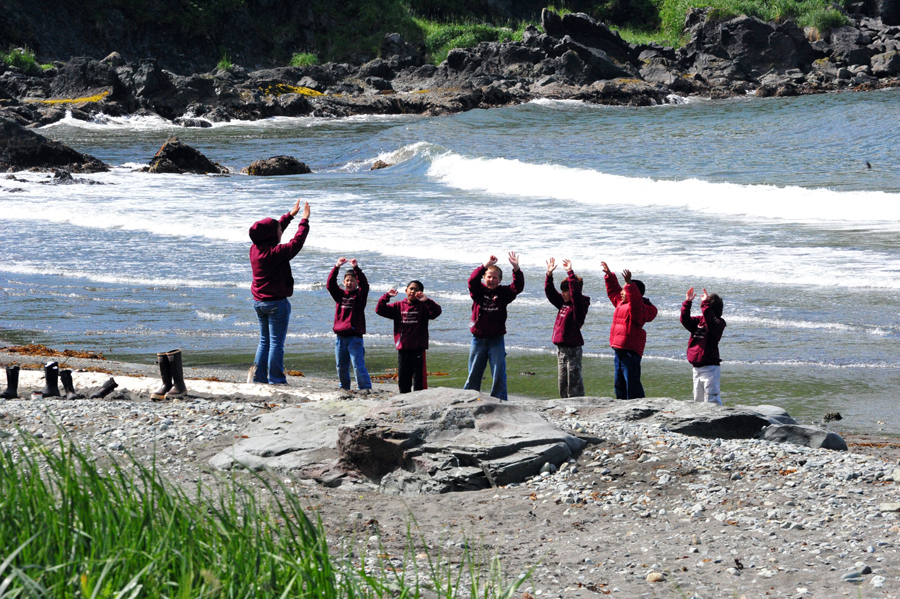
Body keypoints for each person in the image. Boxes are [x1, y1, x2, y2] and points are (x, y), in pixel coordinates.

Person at [248, 199, 310, 384]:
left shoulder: (255, 248)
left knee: (264, 341)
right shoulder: (274, 253)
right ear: (271, 235)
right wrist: (304, 220)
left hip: (259, 302)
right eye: (278, 230)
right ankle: (275, 378)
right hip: (275, 303)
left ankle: (259, 378)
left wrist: (290, 216)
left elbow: (274, 230)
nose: (280, 232)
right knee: (276, 343)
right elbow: (296, 243)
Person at [463, 253, 523, 401]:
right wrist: (484, 265)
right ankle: (468, 398)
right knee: (474, 373)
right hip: (478, 339)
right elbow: (472, 280)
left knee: (498, 372)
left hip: (496, 340)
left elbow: (517, 287)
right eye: (489, 276)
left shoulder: (503, 293)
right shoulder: (478, 292)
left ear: (500, 280)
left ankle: (500, 400)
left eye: (495, 277)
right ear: (484, 278)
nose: (491, 280)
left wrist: (516, 268)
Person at [601, 262, 657, 399]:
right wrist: (609, 276)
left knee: (632, 384)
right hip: (619, 351)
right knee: (619, 384)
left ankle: (640, 409)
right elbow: (613, 291)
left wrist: (629, 284)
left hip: (631, 352)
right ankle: (622, 409)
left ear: (633, 293)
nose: (622, 292)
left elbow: (636, 303)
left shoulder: (640, 309)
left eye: (625, 290)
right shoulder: (621, 303)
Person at [376, 280, 442, 393]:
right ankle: (404, 400)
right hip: (403, 349)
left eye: (416, 290)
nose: (413, 291)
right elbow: (379, 309)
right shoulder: (398, 306)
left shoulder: (424, 307)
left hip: (418, 349)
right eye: (411, 288)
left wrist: (427, 301)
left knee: (419, 381)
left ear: (420, 293)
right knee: (403, 379)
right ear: (406, 291)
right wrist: (386, 296)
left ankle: (418, 402)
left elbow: (437, 312)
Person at [544, 258, 590, 398]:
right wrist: (549, 275)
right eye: (562, 291)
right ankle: (564, 402)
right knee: (562, 380)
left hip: (573, 349)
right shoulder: (563, 304)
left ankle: (577, 403)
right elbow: (550, 293)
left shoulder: (579, 307)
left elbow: (576, 294)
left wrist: (570, 272)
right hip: (561, 349)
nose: (563, 294)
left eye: (566, 291)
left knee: (574, 380)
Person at [327, 257, 371, 392]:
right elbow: (330, 284)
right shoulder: (340, 295)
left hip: (354, 338)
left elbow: (365, 284)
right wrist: (337, 267)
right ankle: (344, 387)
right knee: (341, 366)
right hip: (340, 338)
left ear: (356, 282)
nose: (349, 283)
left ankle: (364, 388)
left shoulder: (359, 296)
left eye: (352, 280)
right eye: (347, 280)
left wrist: (356, 268)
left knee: (357, 365)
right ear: (343, 282)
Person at [680, 287, 726, 405]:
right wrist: (688, 302)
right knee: (698, 400)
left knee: (712, 400)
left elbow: (711, 320)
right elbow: (685, 320)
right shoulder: (699, 321)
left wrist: (705, 303)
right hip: (696, 367)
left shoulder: (719, 324)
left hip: (710, 369)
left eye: (706, 305)